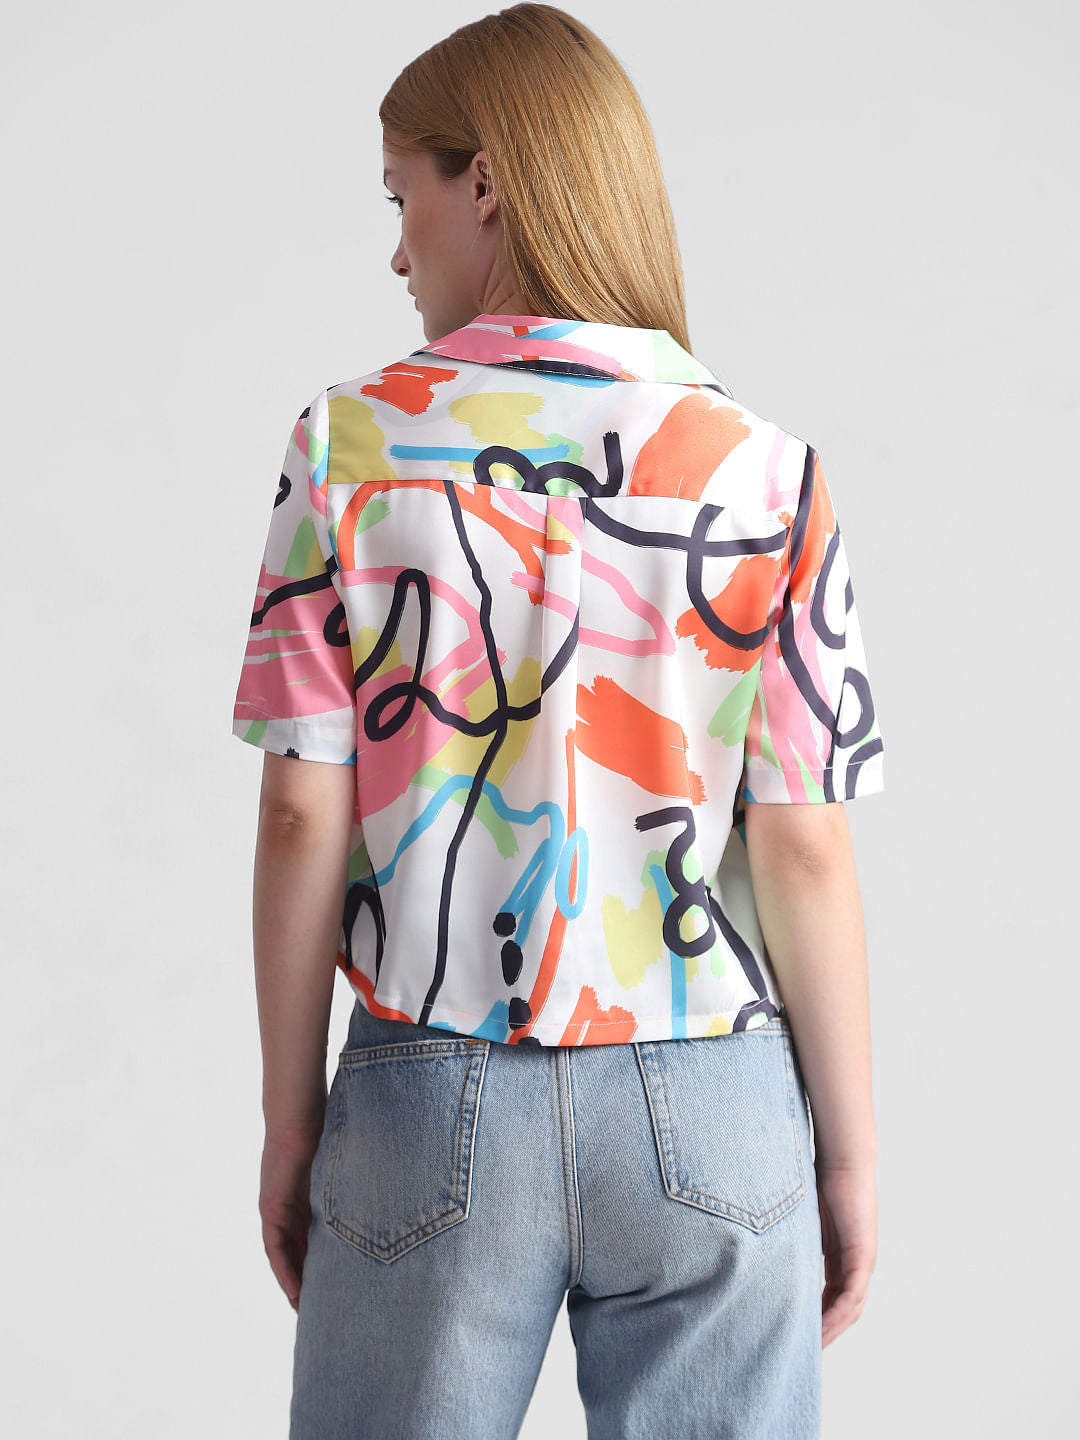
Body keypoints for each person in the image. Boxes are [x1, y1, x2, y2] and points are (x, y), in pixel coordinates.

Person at [231, 6, 885, 1436]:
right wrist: (846, 1155)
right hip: (713, 1097)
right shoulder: (767, 472)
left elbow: (297, 811)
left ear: (485, 181)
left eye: (399, 197)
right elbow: (804, 848)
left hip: (431, 1082)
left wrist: (291, 1123)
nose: (397, 253)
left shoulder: (346, 447)